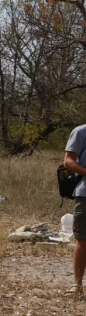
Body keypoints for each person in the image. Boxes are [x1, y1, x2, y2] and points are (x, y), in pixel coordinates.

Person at [64, 122, 86, 300]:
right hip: (85, 194)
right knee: (83, 240)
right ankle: (77, 285)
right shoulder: (81, 131)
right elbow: (69, 162)